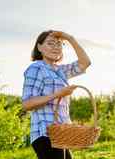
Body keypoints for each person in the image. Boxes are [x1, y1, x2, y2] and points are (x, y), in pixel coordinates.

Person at [22, 30, 91, 159]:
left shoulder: (60, 71)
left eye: (59, 44)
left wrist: (70, 38)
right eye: (50, 43)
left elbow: (85, 63)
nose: (55, 47)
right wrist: (57, 94)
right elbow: (27, 104)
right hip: (45, 133)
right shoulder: (36, 68)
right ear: (39, 47)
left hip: (61, 133)